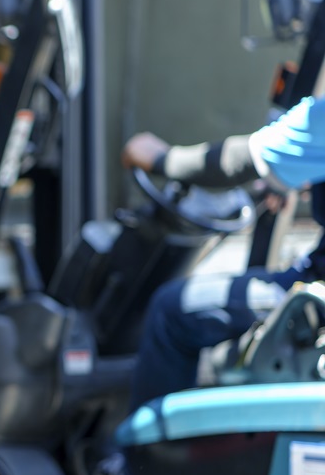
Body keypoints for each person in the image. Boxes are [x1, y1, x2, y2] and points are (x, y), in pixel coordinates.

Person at [120, 94, 325, 411]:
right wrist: (289, 178)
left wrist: (161, 158)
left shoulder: (319, 116)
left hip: (318, 296)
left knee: (170, 310)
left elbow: (235, 161)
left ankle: (143, 458)